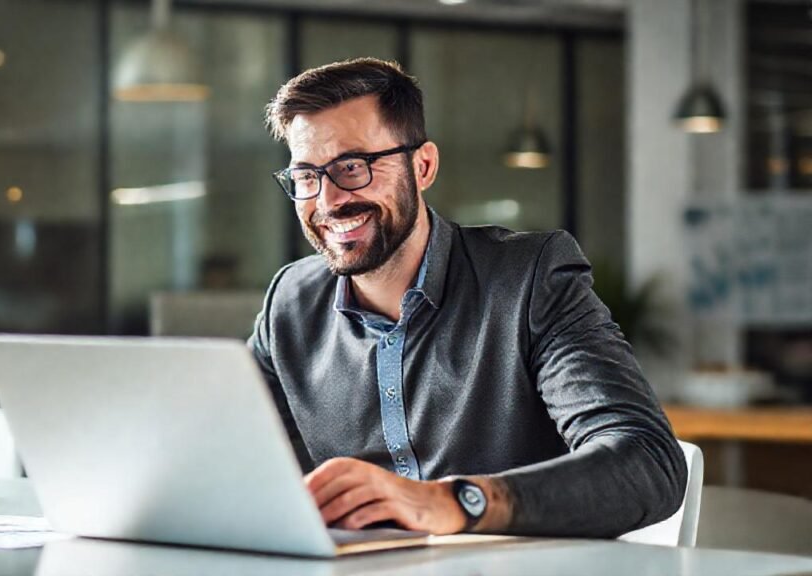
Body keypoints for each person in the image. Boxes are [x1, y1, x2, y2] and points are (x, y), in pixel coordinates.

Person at [247, 57, 686, 538]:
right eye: (306, 177)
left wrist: (455, 502)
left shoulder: (528, 280)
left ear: (423, 166)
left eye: (352, 167)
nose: (328, 201)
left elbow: (648, 463)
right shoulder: (289, 304)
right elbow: (233, 458)